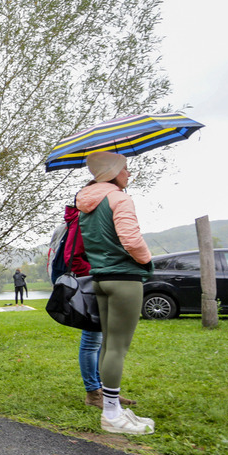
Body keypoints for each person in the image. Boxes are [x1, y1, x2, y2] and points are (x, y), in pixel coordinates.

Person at [76, 151, 154, 435]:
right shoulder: (119, 198)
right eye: (126, 168)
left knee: (108, 346)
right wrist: (147, 260)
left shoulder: (85, 202)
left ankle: (114, 409)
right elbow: (131, 240)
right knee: (116, 347)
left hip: (100, 278)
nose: (129, 174)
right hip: (124, 278)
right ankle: (111, 414)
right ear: (113, 171)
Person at [50, 208, 135, 411]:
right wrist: (100, 271)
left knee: (99, 339)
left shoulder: (88, 219)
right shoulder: (83, 220)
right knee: (92, 340)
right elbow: (74, 256)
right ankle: (94, 392)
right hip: (90, 283)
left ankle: (104, 390)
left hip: (97, 280)